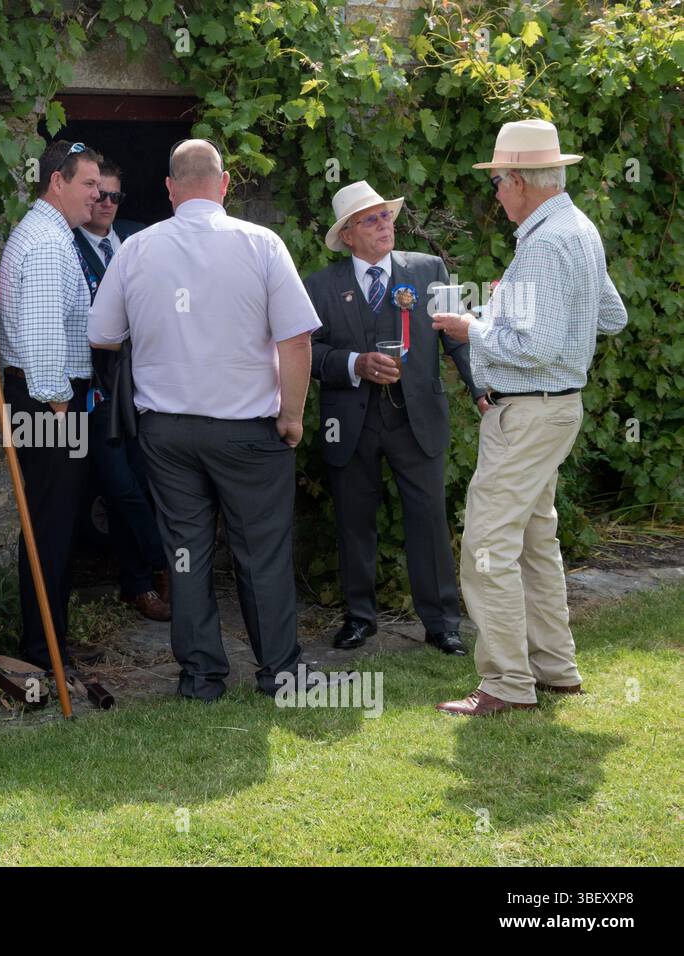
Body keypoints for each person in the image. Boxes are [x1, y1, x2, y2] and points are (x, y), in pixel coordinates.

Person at [87, 139, 328, 702]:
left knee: (185, 552)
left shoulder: (137, 248)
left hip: (167, 430)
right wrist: (292, 415)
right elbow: (295, 338)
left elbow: (102, 334)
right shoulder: (261, 243)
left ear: (169, 190)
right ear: (224, 185)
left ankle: (200, 676)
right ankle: (279, 673)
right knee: (261, 549)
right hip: (248, 427)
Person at [433, 119, 628, 716]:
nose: (495, 193)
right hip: (551, 410)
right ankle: (554, 670)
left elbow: (535, 348)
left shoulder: (545, 241)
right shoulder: (577, 228)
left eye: (497, 182)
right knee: (536, 541)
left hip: (530, 413)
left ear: (520, 180)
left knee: (487, 545)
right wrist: (512, 305)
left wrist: (474, 327)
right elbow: (609, 315)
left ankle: (506, 686)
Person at [305, 180, 485, 656]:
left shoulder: (429, 270)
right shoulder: (320, 286)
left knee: (428, 518)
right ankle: (359, 618)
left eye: (386, 215)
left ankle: (442, 622)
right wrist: (354, 364)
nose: (385, 225)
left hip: (417, 418)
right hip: (351, 420)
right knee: (354, 521)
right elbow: (308, 353)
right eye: (371, 219)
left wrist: (481, 389)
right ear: (348, 234)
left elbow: (457, 337)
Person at [0, 140, 102, 672]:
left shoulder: (52, 235)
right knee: (49, 526)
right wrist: (63, 411)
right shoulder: (45, 243)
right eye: (87, 183)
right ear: (56, 182)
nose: (97, 193)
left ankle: (52, 640)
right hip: (48, 404)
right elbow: (40, 343)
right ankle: (42, 652)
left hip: (48, 402)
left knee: (57, 524)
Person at [72, 159, 168, 623]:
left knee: (146, 482)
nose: (107, 204)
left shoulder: (138, 235)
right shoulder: (67, 243)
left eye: (115, 196)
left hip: (145, 380)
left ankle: (140, 584)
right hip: (97, 384)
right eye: (99, 195)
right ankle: (166, 558)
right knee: (119, 487)